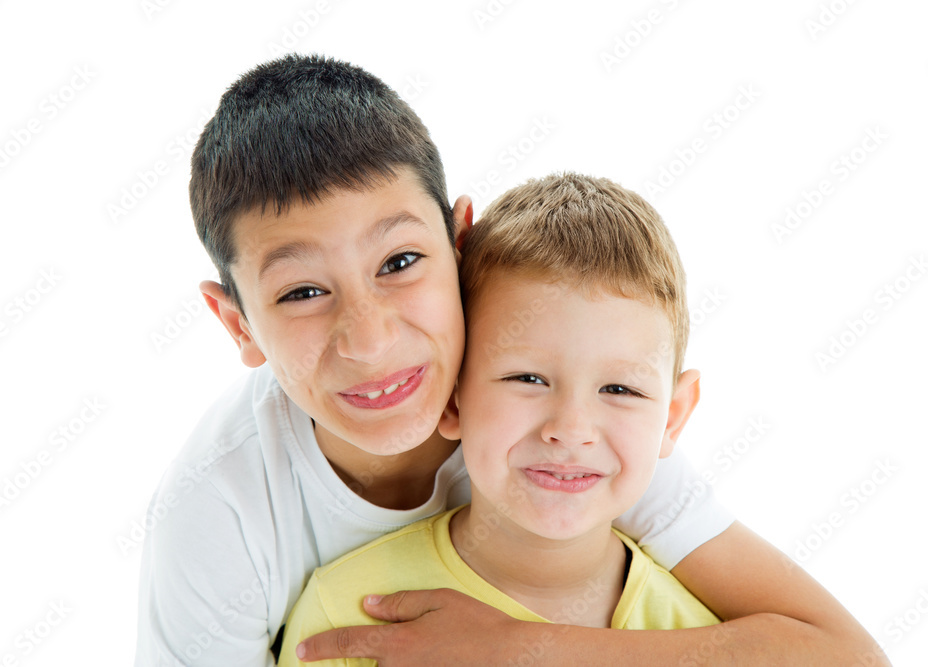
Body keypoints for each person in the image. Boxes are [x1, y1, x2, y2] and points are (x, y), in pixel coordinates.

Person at [134, 53, 886, 666]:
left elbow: (845, 654)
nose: (370, 340)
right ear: (238, 323)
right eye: (302, 291)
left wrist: (519, 650)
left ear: (459, 243)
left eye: (400, 262)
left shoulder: (569, 416)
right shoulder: (217, 513)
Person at [278, 172, 723, 666]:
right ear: (452, 401)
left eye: (620, 389)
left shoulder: (708, 639)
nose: (570, 429)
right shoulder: (347, 619)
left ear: (672, 417)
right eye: (527, 379)